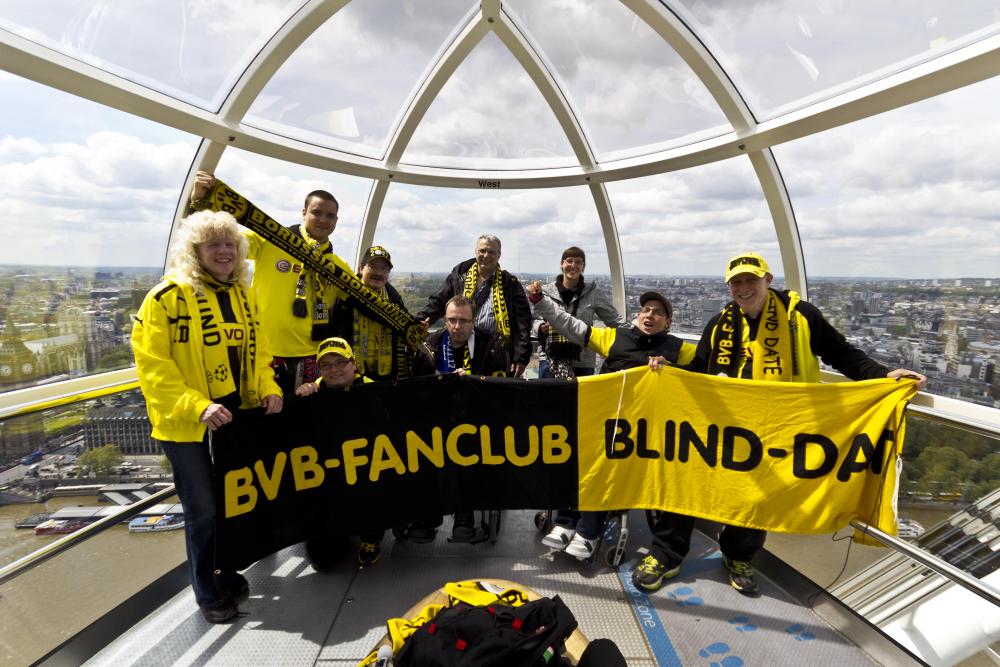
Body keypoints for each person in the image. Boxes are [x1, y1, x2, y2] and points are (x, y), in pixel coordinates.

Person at [635, 251, 928, 596]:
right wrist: (671, 374)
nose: (744, 288)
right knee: (686, 483)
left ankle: (738, 557)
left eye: (751, 280)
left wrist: (882, 376)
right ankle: (665, 555)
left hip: (775, 427)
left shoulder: (800, 317)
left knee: (758, 498)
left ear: (768, 280)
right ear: (729, 287)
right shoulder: (719, 324)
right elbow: (701, 369)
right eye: (737, 282)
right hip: (720, 425)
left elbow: (840, 352)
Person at [131, 210, 283, 623]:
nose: (224, 251)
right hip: (188, 426)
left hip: (236, 418)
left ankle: (225, 574)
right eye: (213, 244)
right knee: (202, 511)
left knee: (232, 503)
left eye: (230, 244)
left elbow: (260, 354)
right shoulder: (165, 299)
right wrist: (197, 405)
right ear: (194, 251)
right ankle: (206, 591)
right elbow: (153, 369)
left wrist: (268, 388)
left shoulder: (243, 295)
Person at [528, 284, 696, 560]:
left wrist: (674, 370)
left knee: (605, 462)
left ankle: (588, 530)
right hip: (601, 420)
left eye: (657, 312)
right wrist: (540, 302)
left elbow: (706, 367)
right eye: (645, 310)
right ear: (637, 315)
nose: (649, 315)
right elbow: (570, 325)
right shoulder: (615, 337)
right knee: (571, 453)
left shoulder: (679, 350)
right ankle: (565, 521)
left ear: (668, 322)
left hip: (640, 433)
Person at [189, 170, 354, 395]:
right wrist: (199, 204)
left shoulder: (337, 266)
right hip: (263, 352)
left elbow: (366, 298)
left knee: (307, 416)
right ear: (303, 212)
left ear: (336, 220)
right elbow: (217, 240)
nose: (323, 220)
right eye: (316, 212)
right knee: (265, 412)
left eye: (330, 215)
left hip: (313, 358)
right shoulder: (271, 240)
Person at [406, 295, 509, 543]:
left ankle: (464, 513)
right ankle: (429, 514)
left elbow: (500, 390)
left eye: (463, 321)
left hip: (477, 420)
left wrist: (472, 383)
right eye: (452, 320)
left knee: (467, 446)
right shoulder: (430, 345)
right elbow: (416, 388)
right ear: (444, 319)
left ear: (474, 322)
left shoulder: (491, 345)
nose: (457, 326)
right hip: (436, 419)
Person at [294, 337, 384, 567]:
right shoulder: (313, 392)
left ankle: (372, 536)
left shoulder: (374, 389)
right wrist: (301, 398)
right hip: (330, 475)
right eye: (326, 365)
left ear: (353, 363)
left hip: (368, 469)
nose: (334, 369)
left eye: (340, 362)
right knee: (323, 560)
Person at [416, 235, 531, 377]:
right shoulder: (459, 277)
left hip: (494, 351)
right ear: (476, 252)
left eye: (491, 252)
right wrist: (418, 322)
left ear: (499, 255)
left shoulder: (510, 284)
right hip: (461, 346)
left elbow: (522, 322)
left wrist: (521, 355)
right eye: (482, 251)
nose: (486, 255)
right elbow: (437, 303)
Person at [534, 246, 625, 379]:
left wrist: (638, 337)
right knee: (549, 393)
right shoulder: (546, 292)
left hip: (583, 359)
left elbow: (615, 320)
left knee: (580, 394)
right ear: (561, 264)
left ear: (583, 267)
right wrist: (540, 327)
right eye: (569, 261)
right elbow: (535, 319)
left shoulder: (592, 293)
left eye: (578, 262)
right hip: (550, 357)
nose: (573, 265)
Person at [329, 245, 411, 382]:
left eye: (384, 269)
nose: (378, 273)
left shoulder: (394, 299)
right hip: (350, 375)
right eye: (373, 267)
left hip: (386, 377)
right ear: (361, 268)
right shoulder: (345, 295)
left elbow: (405, 331)